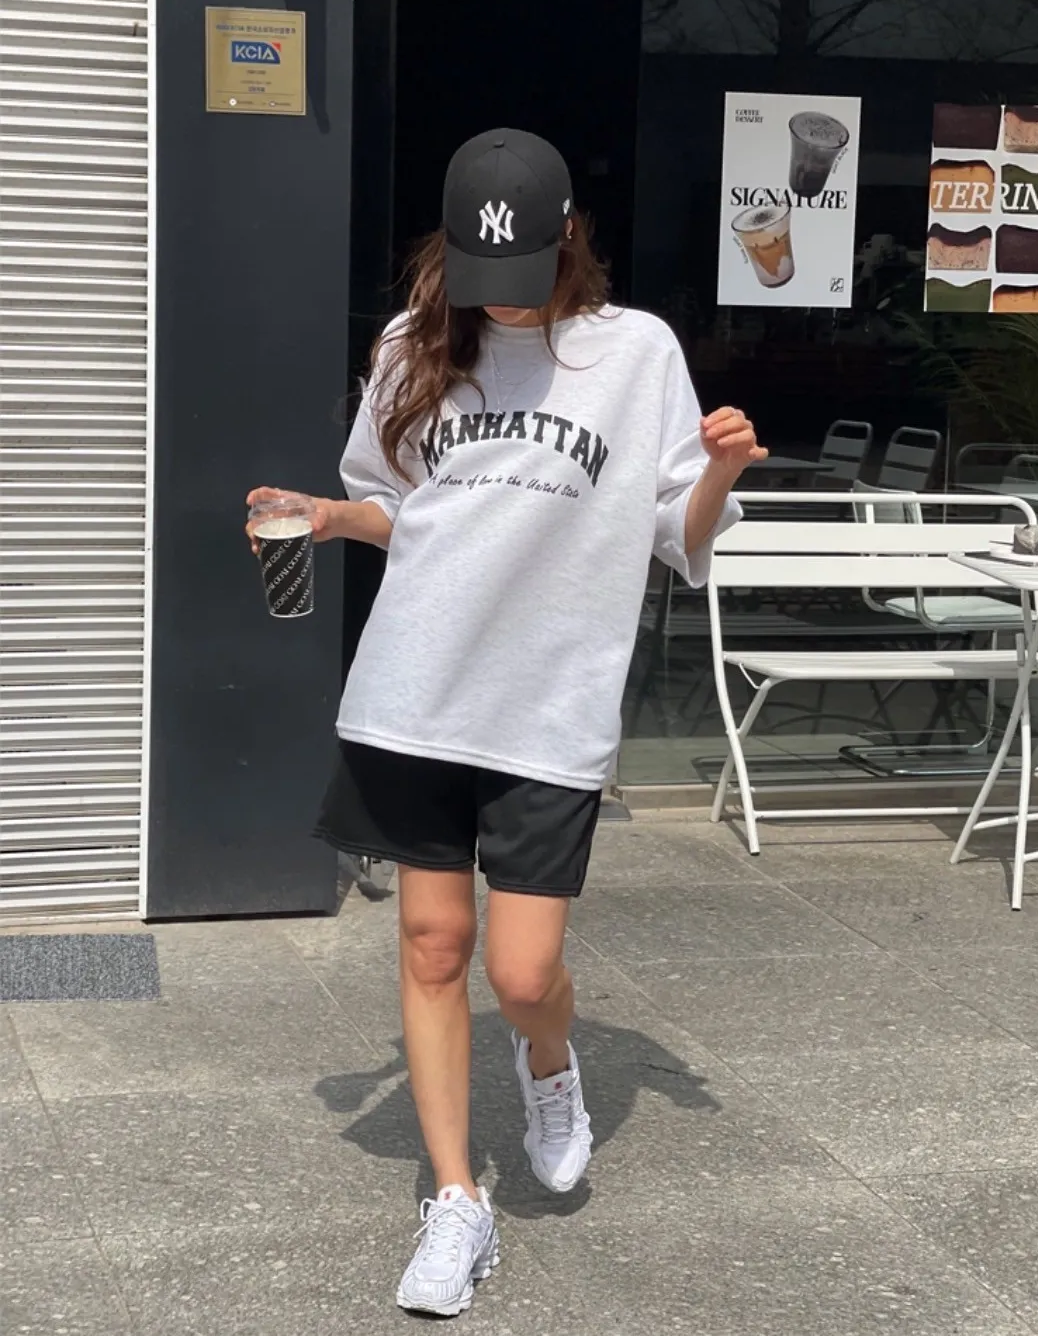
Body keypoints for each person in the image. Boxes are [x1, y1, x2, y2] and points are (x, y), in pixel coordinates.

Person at [246, 128, 766, 1316]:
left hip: (548, 703)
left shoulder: (636, 353)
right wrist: (329, 516)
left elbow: (677, 539)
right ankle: (455, 1202)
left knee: (525, 973)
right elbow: (403, 513)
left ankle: (547, 1059)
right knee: (433, 947)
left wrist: (720, 473)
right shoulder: (412, 344)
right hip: (414, 690)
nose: (500, 297)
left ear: (567, 236)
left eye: (522, 270)